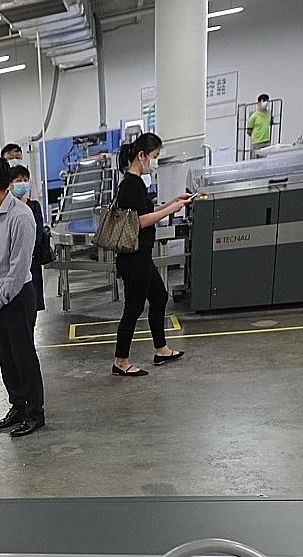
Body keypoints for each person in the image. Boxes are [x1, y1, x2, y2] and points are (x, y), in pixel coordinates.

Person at [0, 155, 44, 437]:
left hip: (15, 298)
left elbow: (18, 269)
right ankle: (18, 405)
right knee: (6, 357)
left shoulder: (21, 217)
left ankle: (35, 412)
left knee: (23, 356)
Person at [111, 133, 190, 378]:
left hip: (141, 256)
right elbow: (140, 221)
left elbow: (145, 210)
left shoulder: (136, 183)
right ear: (142, 156)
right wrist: (171, 211)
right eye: (154, 157)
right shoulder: (130, 184)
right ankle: (120, 361)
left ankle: (161, 349)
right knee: (133, 309)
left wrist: (172, 203)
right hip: (134, 258)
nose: (155, 162)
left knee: (159, 297)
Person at [11, 164, 47, 336]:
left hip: (32, 264)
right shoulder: (7, 211)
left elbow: (38, 233)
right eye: (18, 181)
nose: (23, 184)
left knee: (31, 306)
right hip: (13, 268)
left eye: (25, 180)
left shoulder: (34, 206)